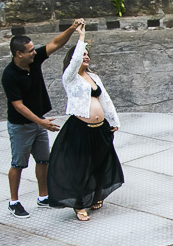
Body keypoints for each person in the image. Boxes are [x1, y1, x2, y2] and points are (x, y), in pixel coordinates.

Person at [1, 19, 84, 219]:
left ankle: (43, 196)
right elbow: (18, 106)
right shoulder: (9, 75)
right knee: (18, 164)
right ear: (18, 53)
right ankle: (14, 202)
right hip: (21, 126)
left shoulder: (34, 59)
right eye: (29, 50)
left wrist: (72, 29)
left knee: (43, 160)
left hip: (39, 121)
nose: (34, 52)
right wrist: (41, 123)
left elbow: (56, 44)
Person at [46, 23, 123, 221]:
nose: (86, 56)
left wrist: (113, 120)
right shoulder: (69, 78)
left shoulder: (93, 77)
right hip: (80, 128)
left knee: (100, 163)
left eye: (88, 54)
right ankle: (79, 205)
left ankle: (97, 196)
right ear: (74, 58)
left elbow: (105, 99)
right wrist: (81, 36)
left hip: (100, 127)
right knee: (80, 167)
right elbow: (73, 64)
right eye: (83, 54)